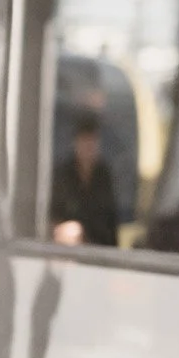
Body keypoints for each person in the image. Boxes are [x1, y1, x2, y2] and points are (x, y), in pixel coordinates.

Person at [49, 100, 118, 247]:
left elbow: (109, 222)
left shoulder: (103, 176)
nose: (88, 147)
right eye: (84, 141)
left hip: (97, 250)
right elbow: (54, 214)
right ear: (76, 143)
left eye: (92, 142)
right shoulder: (62, 175)